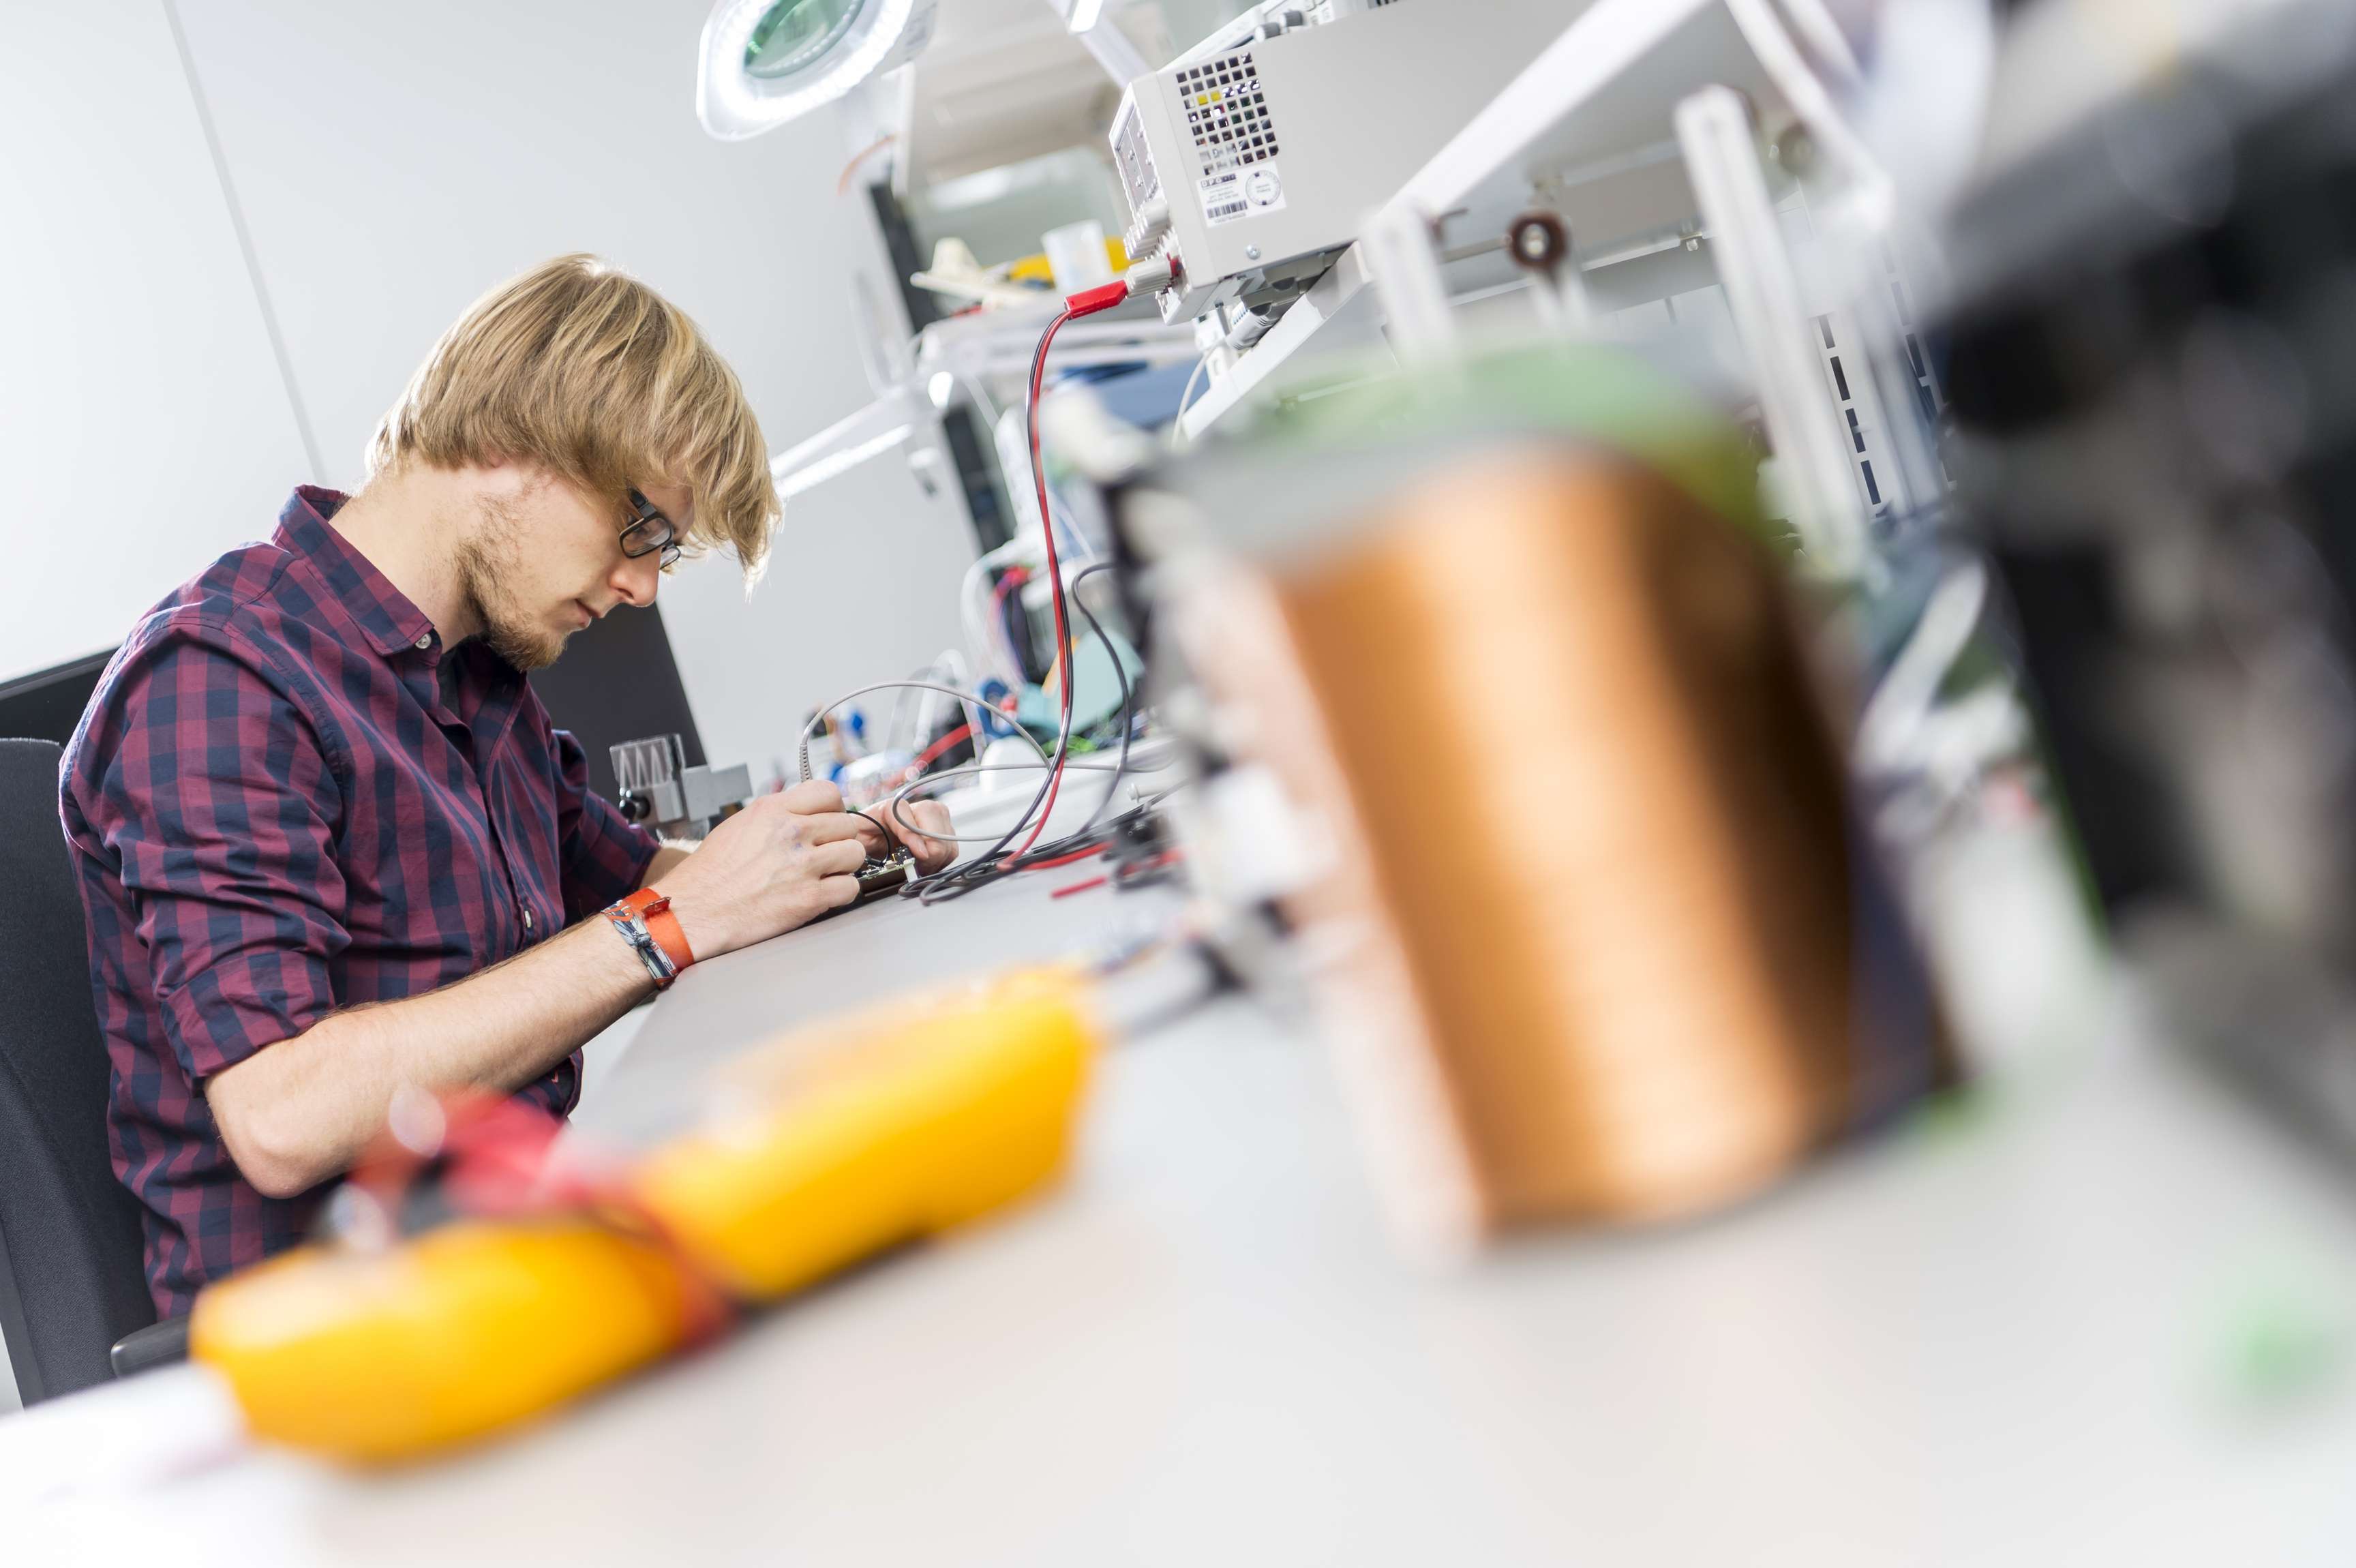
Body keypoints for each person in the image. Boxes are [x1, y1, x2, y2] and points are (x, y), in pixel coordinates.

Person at [60, 254, 954, 1317]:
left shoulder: (477, 680)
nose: (641, 586)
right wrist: (670, 923)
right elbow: (283, 1114)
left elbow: (663, 880)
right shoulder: (222, 678)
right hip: (350, 1335)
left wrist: (842, 853)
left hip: (510, 1255)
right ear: (504, 443)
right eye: (642, 530)